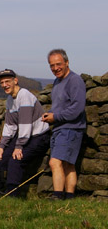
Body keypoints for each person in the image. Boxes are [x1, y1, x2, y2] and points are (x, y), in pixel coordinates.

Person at [0, 69, 50, 197]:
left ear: (15, 81)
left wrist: (19, 147)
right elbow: (9, 126)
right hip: (24, 136)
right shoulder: (10, 100)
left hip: (39, 137)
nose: (4, 85)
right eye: (2, 82)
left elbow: (25, 125)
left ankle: (12, 196)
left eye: (7, 81)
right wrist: (1, 147)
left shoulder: (24, 95)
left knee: (15, 160)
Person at [41, 49, 86, 200]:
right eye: (51, 65)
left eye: (58, 64)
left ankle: (57, 196)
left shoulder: (75, 80)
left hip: (71, 128)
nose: (55, 68)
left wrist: (56, 117)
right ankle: (69, 197)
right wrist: (50, 114)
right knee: (67, 165)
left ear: (67, 63)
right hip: (60, 127)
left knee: (55, 162)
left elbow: (77, 108)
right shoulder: (57, 81)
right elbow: (60, 106)